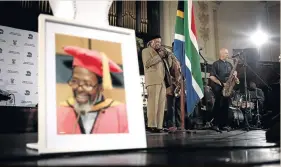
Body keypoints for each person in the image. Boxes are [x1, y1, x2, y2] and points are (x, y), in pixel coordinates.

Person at [57, 46, 128, 134]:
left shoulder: (121, 114)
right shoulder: (60, 112)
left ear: (101, 86)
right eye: (74, 81)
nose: (79, 89)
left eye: (87, 84)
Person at [209, 48, 239, 131]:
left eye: (227, 53)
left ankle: (224, 124)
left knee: (226, 106)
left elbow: (233, 75)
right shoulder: (216, 64)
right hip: (219, 87)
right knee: (219, 105)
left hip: (228, 88)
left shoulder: (229, 64)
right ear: (221, 54)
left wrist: (235, 76)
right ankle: (215, 123)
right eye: (226, 53)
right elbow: (211, 76)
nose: (227, 54)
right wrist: (222, 84)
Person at [142, 35, 167, 133]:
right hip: (152, 81)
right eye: (156, 41)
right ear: (151, 42)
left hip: (161, 82)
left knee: (161, 105)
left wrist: (167, 56)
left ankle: (159, 126)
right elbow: (147, 63)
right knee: (153, 104)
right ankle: (151, 125)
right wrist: (159, 56)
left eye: (159, 42)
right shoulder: (146, 51)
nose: (158, 43)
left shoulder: (159, 53)